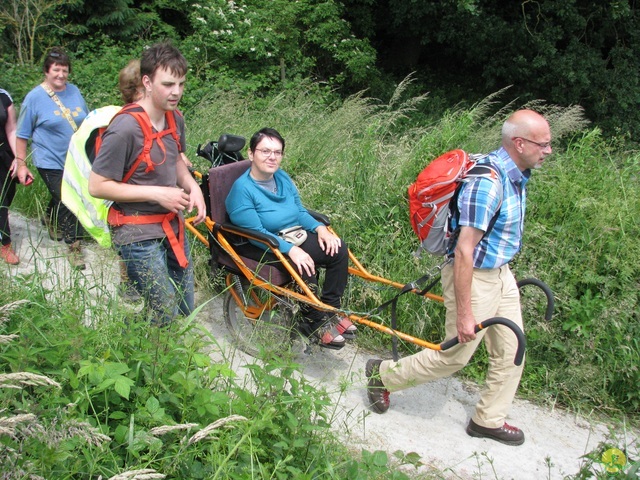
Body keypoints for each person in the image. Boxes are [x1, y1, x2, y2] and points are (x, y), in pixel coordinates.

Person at [366, 109, 552, 446]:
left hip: (500, 274)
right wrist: (466, 313)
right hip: (474, 275)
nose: (548, 150)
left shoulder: (517, 174)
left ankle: (487, 419)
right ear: (519, 143)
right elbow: (465, 251)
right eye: (544, 144)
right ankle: (382, 376)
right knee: (455, 355)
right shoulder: (488, 182)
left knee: (512, 349)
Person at [88, 42, 205, 326]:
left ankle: (148, 344)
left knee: (185, 308)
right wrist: (157, 193)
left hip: (171, 224)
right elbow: (97, 185)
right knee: (164, 312)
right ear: (147, 82)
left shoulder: (175, 118)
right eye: (168, 84)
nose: (176, 92)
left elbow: (176, 159)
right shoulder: (125, 127)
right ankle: (143, 357)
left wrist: (193, 187)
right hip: (135, 231)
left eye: (181, 84)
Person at [225, 127, 357, 349]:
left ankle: (330, 310)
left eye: (277, 152)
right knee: (305, 264)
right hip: (259, 242)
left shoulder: (282, 178)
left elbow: (299, 212)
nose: (272, 157)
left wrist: (320, 228)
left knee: (338, 249)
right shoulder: (243, 189)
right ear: (251, 154)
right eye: (265, 151)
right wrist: (291, 250)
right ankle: (313, 324)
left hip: (289, 235)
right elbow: (256, 233)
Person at [16, 47, 89, 269]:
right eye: (56, 70)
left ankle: (49, 217)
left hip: (75, 158)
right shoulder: (34, 98)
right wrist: (21, 163)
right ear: (46, 72)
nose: (61, 75)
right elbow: (22, 134)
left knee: (66, 194)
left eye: (65, 70)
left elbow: (86, 118)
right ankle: (74, 246)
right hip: (48, 159)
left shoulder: (74, 91)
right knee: (68, 199)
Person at [1, 88, 34, 265]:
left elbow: (12, 129)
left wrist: (19, 160)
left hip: (3, 155)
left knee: (7, 197)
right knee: (1, 204)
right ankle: (5, 244)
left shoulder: (4, 96)